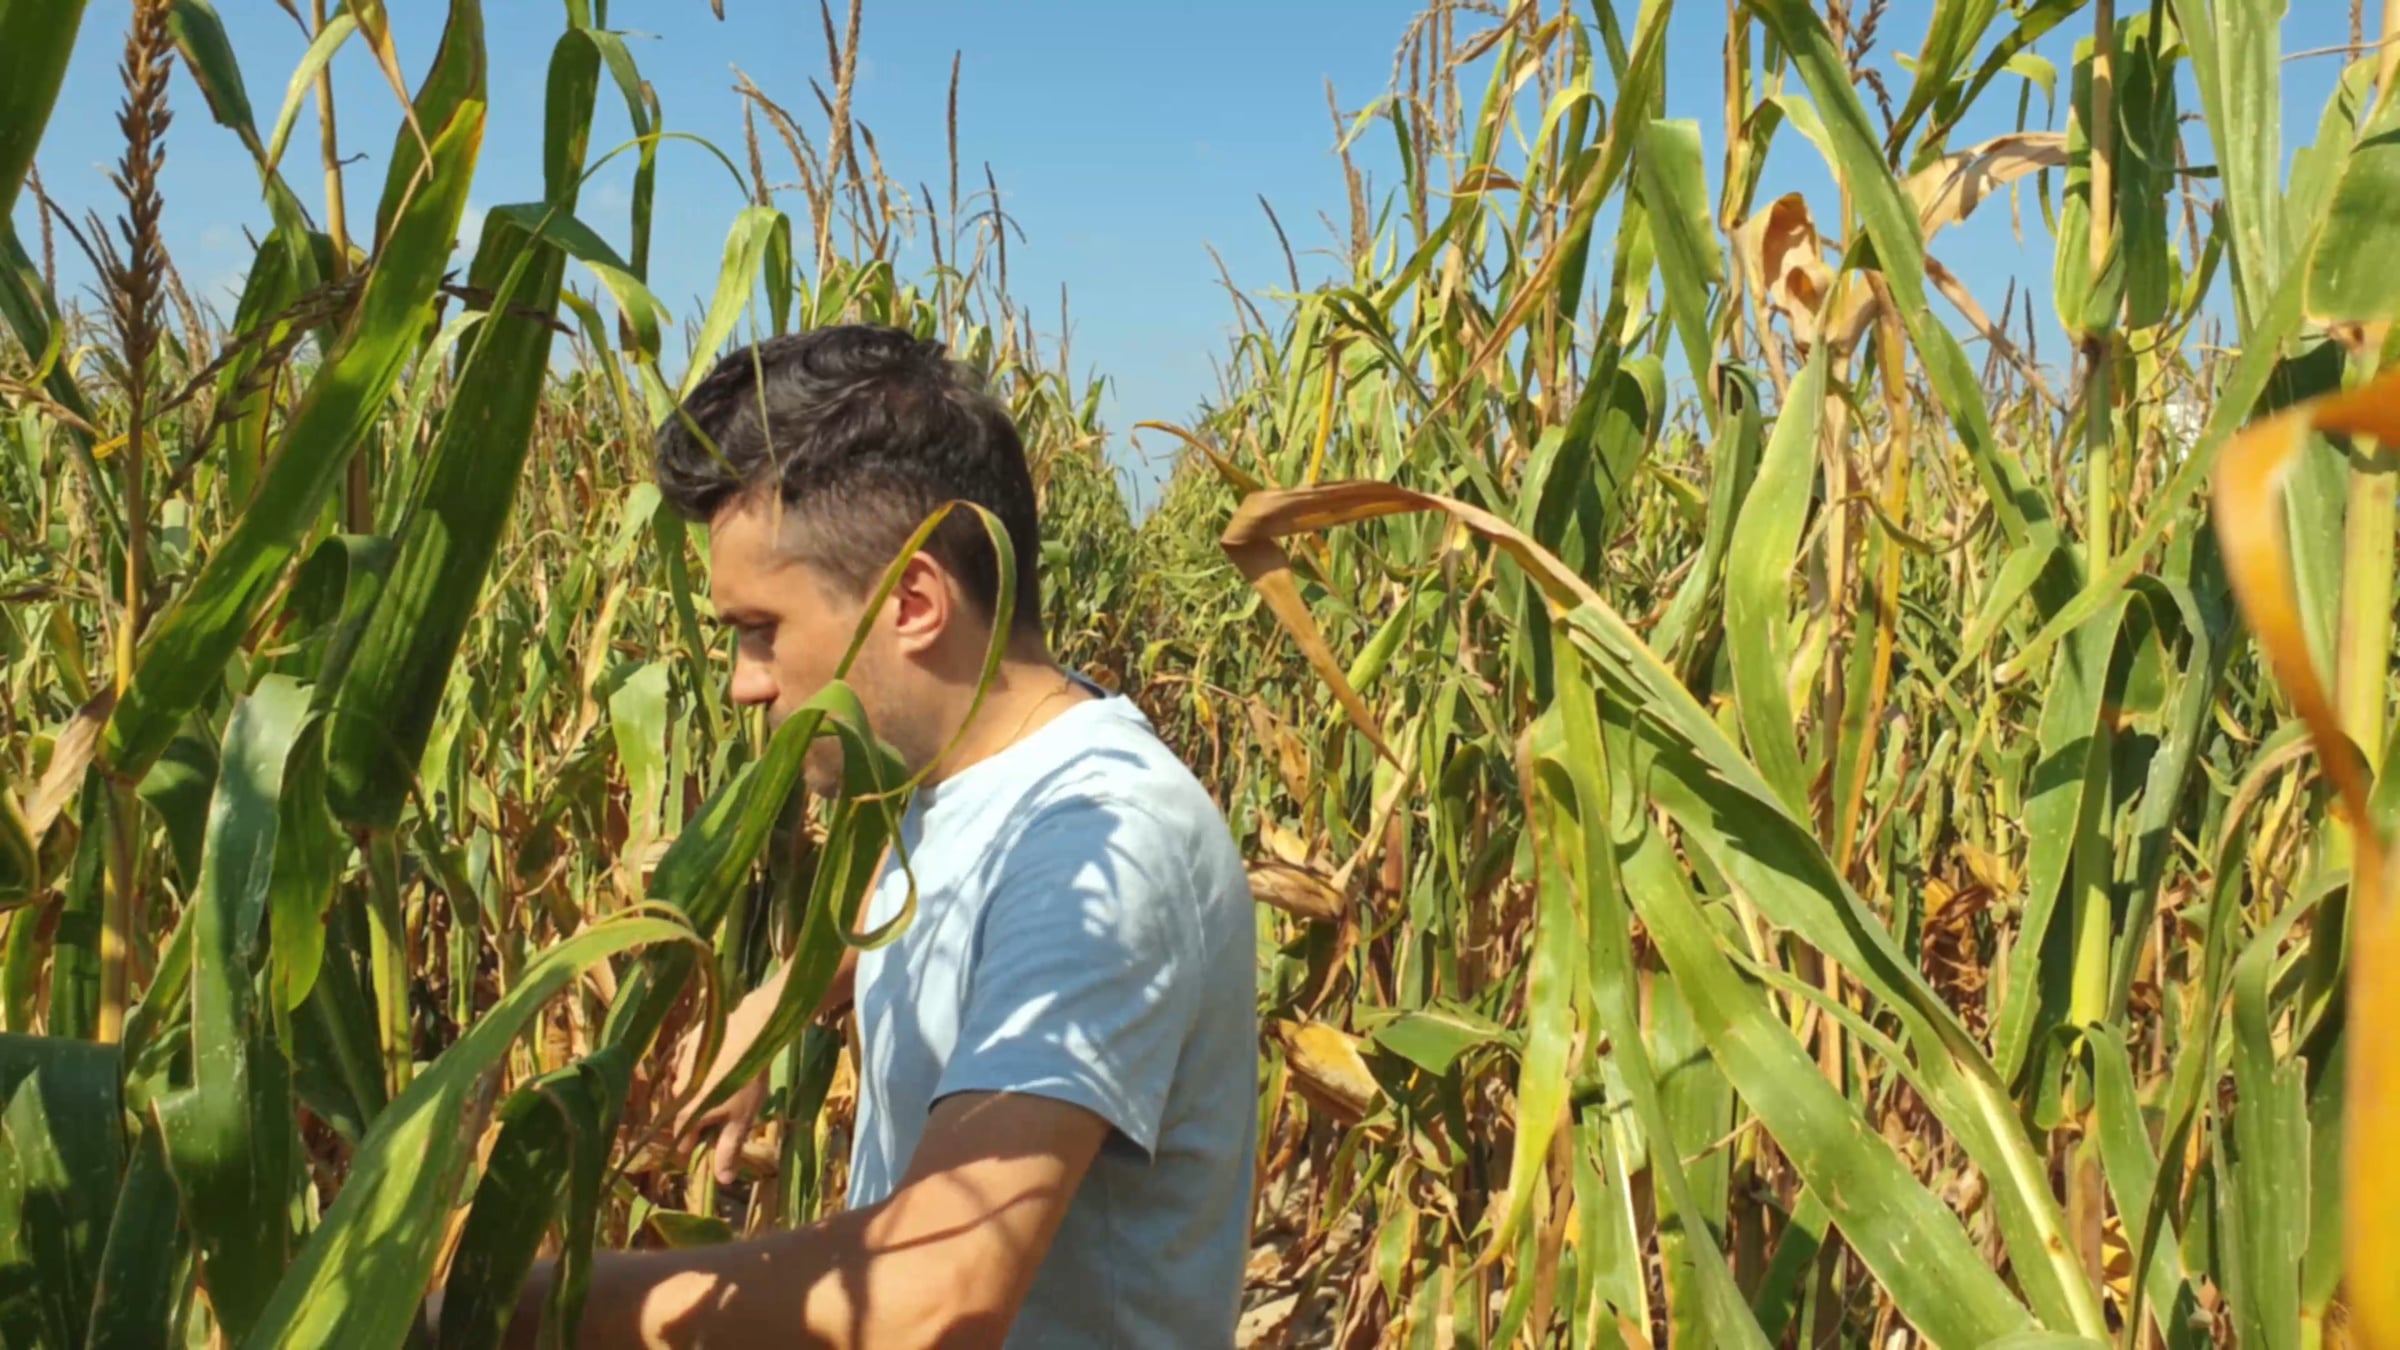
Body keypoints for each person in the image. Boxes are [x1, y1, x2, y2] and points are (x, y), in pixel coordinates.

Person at [483, 325, 1257, 1346]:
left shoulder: (1100, 852)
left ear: (914, 602)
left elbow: (933, 1295)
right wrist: (787, 996)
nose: (743, 683)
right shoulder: (971, 766)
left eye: (760, 631)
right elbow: (939, 867)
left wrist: (512, 1306)